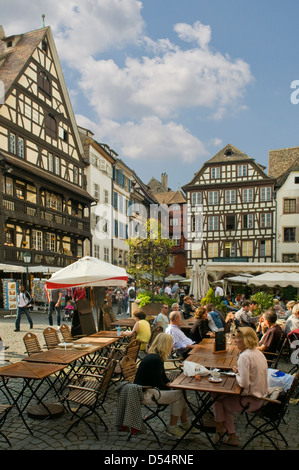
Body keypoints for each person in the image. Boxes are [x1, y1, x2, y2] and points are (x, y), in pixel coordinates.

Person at [213, 327, 268, 447]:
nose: (234, 341)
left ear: (245, 340)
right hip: (261, 397)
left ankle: (222, 429)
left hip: (251, 401)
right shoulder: (258, 353)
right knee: (218, 397)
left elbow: (243, 383)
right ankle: (226, 432)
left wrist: (237, 374)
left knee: (218, 401)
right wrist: (241, 372)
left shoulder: (244, 356)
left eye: (237, 338)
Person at [134, 333, 189, 438]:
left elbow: (163, 378)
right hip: (145, 393)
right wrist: (172, 388)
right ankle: (173, 427)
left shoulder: (155, 356)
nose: (172, 346)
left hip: (148, 390)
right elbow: (159, 383)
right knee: (180, 395)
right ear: (165, 345)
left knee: (182, 391)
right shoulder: (155, 360)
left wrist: (171, 385)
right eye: (171, 343)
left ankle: (184, 422)